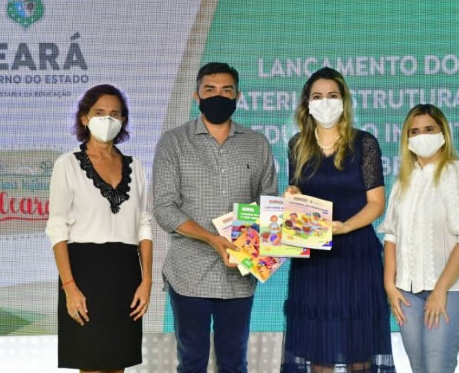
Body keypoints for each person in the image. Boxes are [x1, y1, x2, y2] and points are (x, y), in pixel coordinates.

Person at [152, 62, 278, 373]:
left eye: (226, 91)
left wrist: (254, 242)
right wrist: (212, 238)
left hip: (239, 272)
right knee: (192, 362)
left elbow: (268, 205)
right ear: (196, 95)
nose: (218, 96)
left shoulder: (257, 143)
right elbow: (165, 208)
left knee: (234, 362)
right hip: (188, 273)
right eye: (210, 90)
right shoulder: (173, 142)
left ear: (238, 96)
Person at [282, 67, 396, 373]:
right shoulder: (297, 145)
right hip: (314, 258)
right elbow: (299, 196)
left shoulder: (364, 143)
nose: (325, 102)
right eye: (317, 96)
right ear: (306, 103)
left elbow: (376, 204)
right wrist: (293, 195)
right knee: (318, 348)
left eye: (332, 96)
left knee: (359, 348)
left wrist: (344, 227)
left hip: (356, 254)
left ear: (344, 101)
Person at [46, 84, 153, 373]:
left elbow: (144, 225)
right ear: (84, 118)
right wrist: (69, 287)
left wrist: (146, 280)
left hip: (126, 273)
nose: (108, 119)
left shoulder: (136, 166)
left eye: (115, 114)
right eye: (99, 112)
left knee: (118, 365)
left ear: (123, 120)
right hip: (84, 273)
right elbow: (57, 228)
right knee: (90, 364)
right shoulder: (67, 164)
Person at [379, 104, 459, 373]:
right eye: (414, 131)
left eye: (429, 129)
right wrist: (390, 286)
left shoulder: (458, 172)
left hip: (451, 288)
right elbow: (391, 235)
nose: (422, 136)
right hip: (407, 289)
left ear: (443, 133)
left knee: (437, 365)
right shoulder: (403, 181)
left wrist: (441, 289)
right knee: (419, 366)